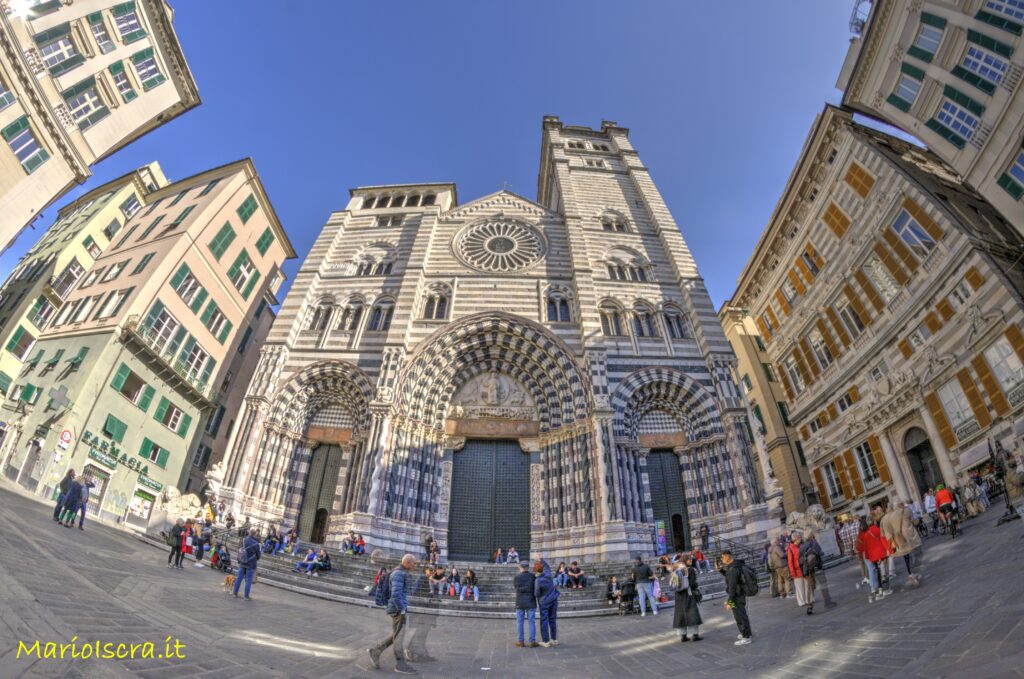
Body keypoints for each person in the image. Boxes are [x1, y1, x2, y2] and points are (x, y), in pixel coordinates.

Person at [368, 553, 416, 674]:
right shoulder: (399, 574)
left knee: (397, 634)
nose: (415, 565)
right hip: (398, 610)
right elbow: (395, 594)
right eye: (414, 563)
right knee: (399, 636)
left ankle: (375, 651)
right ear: (407, 562)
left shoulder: (401, 572)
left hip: (397, 608)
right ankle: (400, 664)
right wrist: (402, 609)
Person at [879, 500, 923, 590]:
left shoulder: (888, 517)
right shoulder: (905, 511)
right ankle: (913, 572)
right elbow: (914, 521)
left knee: (905, 556)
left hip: (895, 540)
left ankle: (910, 572)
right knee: (914, 553)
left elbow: (883, 534)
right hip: (907, 536)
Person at [719, 550, 752, 645]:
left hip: (736, 596)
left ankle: (746, 637)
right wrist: (721, 570)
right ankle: (745, 633)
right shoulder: (734, 566)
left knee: (740, 616)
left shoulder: (733, 568)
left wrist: (729, 601)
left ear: (727, 556)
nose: (722, 559)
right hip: (737, 595)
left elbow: (732, 587)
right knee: (739, 615)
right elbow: (730, 577)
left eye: (722, 557)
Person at [857, 515, 889, 602]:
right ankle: (884, 586)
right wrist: (888, 549)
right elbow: (883, 539)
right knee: (883, 569)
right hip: (881, 552)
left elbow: (865, 547)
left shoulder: (866, 534)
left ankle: (877, 588)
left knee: (875, 571)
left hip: (872, 555)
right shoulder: (878, 530)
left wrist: (867, 556)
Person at [671, 557, 703, 641]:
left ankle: (683, 636)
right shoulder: (690, 570)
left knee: (680, 614)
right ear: (685, 561)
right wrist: (696, 586)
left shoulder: (675, 570)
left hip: (678, 596)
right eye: (689, 560)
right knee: (692, 613)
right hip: (688, 594)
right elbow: (692, 584)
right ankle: (695, 635)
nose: (691, 561)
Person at [798, 531, 826, 614]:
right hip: (813, 567)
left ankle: (810, 604)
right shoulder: (814, 543)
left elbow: (799, 561)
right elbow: (821, 553)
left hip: (806, 569)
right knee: (811, 587)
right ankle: (810, 604)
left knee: (810, 586)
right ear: (811, 536)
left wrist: (802, 571)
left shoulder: (802, 546)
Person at [534, 560, 559, 647]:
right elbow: (547, 566)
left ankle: (546, 641)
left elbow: (536, 593)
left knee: (544, 620)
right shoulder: (548, 574)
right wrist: (540, 559)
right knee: (552, 619)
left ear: (536, 571)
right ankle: (554, 639)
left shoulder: (538, 580)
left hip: (544, 602)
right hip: (554, 599)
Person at [513, 563, 538, 647]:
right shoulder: (533, 576)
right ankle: (532, 641)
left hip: (520, 601)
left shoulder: (517, 577)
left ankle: (521, 641)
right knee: (532, 622)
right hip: (531, 601)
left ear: (521, 568)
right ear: (528, 568)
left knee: (520, 622)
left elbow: (516, 588)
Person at [234, 528, 262, 600]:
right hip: (251, 563)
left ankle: (235, 593)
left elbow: (240, 549)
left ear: (249, 533)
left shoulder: (244, 540)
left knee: (239, 577)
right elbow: (258, 555)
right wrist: (254, 558)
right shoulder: (256, 543)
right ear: (255, 534)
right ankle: (246, 596)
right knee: (249, 580)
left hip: (242, 561)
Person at [787, 532, 808, 608]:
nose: (801, 539)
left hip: (804, 569)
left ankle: (807, 599)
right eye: (799, 538)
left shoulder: (801, 545)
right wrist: (793, 573)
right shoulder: (790, 548)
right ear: (795, 539)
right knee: (799, 587)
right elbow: (790, 562)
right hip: (797, 570)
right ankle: (801, 601)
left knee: (806, 585)